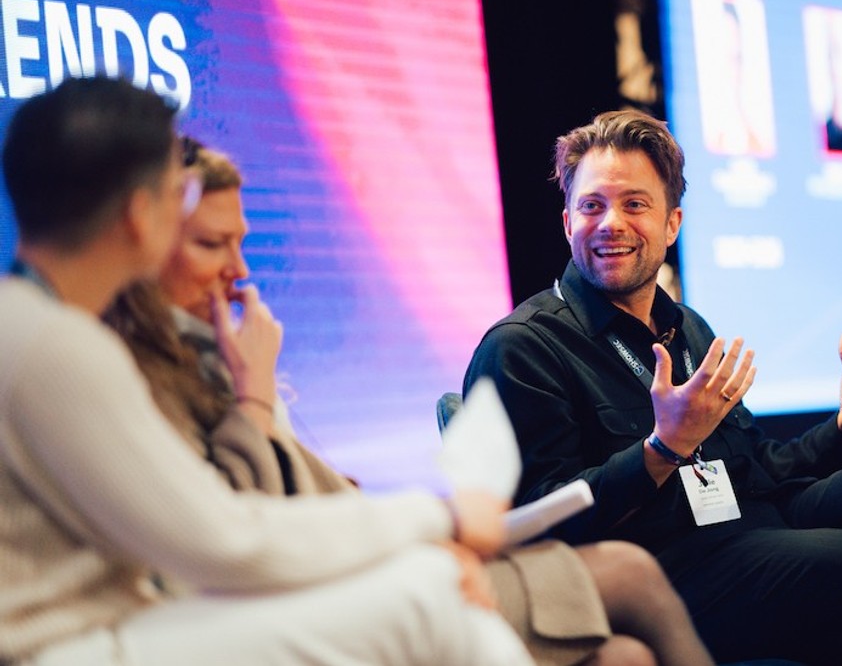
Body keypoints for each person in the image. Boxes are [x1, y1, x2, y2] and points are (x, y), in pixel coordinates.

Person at [102, 141, 714, 666]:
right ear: (144, 240)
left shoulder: (213, 355)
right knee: (630, 573)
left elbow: (304, 499)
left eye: (241, 243)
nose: (239, 271)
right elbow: (237, 532)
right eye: (213, 244)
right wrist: (256, 400)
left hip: (350, 569)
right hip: (291, 598)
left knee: (625, 658)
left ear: (673, 224)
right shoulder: (131, 377)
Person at [0, 76, 531, 665]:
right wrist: (439, 514)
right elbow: (223, 540)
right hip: (70, 649)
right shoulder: (59, 347)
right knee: (428, 594)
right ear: (138, 213)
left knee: (428, 582)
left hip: (109, 632)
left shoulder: (31, 327)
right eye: (181, 195)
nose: (236, 268)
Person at [463, 109, 842, 666]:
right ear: (569, 223)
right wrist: (661, 450)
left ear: (672, 224)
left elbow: (757, 467)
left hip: (751, 523)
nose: (611, 222)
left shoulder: (686, 327)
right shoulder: (524, 348)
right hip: (667, 571)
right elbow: (534, 525)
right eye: (592, 205)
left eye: (635, 204)